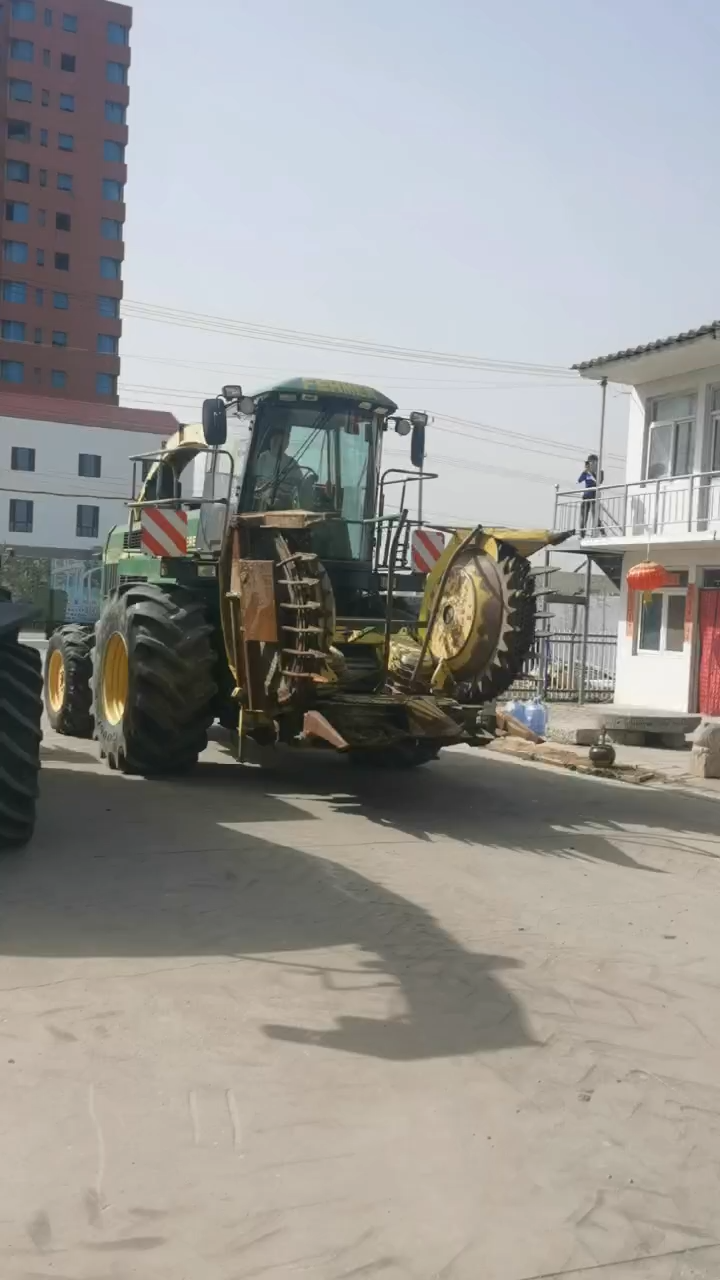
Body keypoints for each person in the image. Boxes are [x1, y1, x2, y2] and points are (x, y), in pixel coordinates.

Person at [578, 454, 603, 532]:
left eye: (593, 462)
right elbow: (579, 480)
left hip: (594, 497)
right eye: (590, 462)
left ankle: (601, 532)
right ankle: (582, 534)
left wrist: (592, 473)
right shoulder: (586, 472)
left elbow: (599, 481)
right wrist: (585, 472)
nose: (591, 464)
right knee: (583, 517)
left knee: (595, 516)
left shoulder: (600, 472)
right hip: (586, 496)